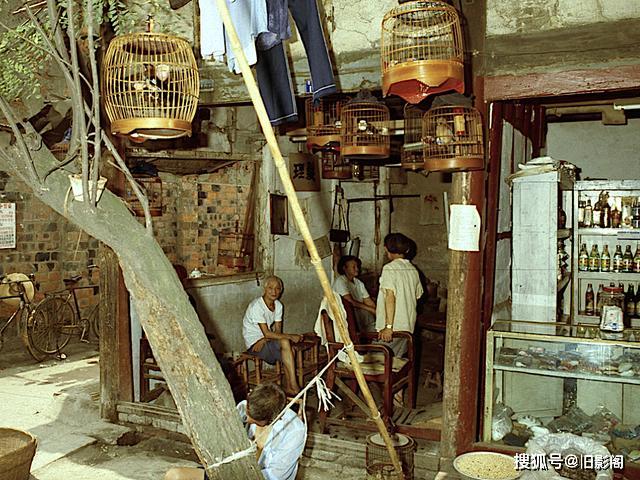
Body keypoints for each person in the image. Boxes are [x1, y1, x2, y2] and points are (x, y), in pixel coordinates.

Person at [164, 383, 307, 480]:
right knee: (174, 475)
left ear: (271, 419)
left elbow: (275, 477)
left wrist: (256, 451)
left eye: (254, 420)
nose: (248, 418)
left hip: (255, 477)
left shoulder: (294, 432)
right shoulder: (244, 408)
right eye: (248, 412)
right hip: (230, 473)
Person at [242, 276, 302, 394]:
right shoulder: (257, 306)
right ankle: (294, 386)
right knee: (286, 342)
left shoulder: (278, 305)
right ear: (265, 288)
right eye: (270, 288)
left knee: (290, 349)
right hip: (254, 344)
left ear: (281, 290)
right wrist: (290, 336)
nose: (274, 292)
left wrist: (265, 339)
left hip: (265, 341)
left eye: (277, 288)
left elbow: (277, 332)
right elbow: (267, 333)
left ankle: (291, 387)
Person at [376, 233, 423, 357]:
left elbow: (390, 297)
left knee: (378, 362)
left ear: (386, 248)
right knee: (396, 361)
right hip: (408, 326)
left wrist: (388, 326)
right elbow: (417, 296)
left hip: (393, 328)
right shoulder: (413, 269)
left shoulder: (389, 268)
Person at [332, 255, 376, 333]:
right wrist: (370, 309)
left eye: (357, 266)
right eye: (354, 267)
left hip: (363, 319)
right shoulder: (340, 281)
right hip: (348, 321)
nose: (357, 269)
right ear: (345, 268)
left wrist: (377, 311)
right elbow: (350, 302)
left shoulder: (358, 282)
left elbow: (368, 301)